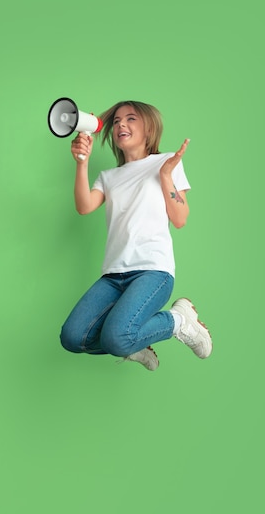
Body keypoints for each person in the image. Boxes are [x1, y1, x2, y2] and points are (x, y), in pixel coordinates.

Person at [60, 100, 212, 371]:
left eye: (131, 119)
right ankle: (135, 342)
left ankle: (178, 321)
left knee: (116, 337)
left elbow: (180, 219)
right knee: (72, 337)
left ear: (149, 129)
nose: (121, 125)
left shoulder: (166, 162)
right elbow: (84, 207)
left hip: (153, 271)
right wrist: (82, 163)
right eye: (117, 121)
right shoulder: (108, 177)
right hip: (113, 275)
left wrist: (166, 176)